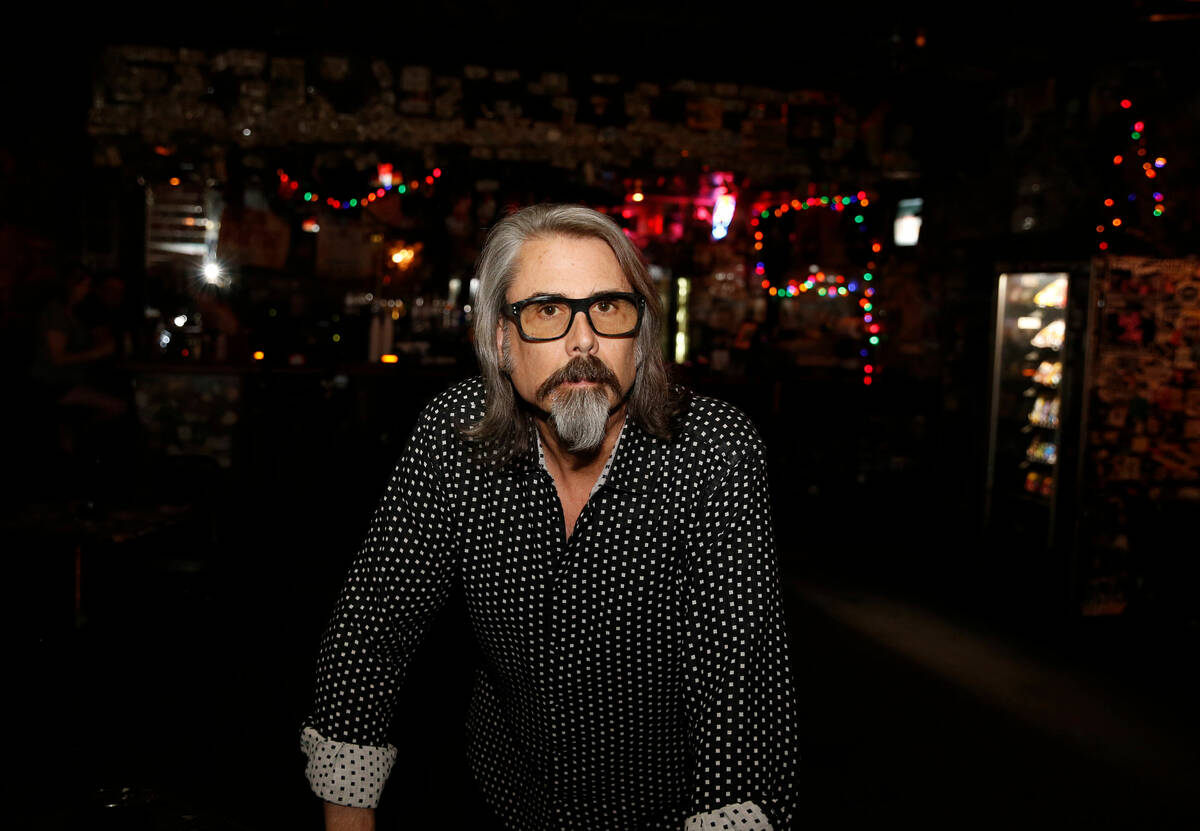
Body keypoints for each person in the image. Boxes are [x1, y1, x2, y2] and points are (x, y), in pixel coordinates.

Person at [301, 204, 799, 830]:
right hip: (500, 801)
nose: (584, 340)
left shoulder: (711, 452)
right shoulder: (457, 437)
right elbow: (369, 636)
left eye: (608, 308)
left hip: (667, 815)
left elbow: (740, 706)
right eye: (547, 311)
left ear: (639, 337)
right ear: (502, 342)